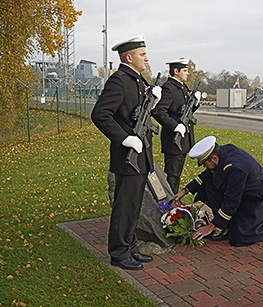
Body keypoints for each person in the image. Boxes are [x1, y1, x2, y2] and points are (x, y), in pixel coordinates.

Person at [91, 35, 162, 270]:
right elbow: (100, 114)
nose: (147, 58)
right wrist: (124, 139)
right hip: (127, 157)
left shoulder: (137, 80)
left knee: (134, 205)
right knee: (124, 207)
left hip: (141, 157)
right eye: (143, 54)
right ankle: (119, 252)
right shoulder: (120, 80)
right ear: (129, 57)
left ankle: (130, 245)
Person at [170, 136, 263, 247]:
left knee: (242, 237)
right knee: (208, 186)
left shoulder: (235, 168)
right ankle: (225, 226)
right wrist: (184, 191)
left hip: (258, 198)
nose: (203, 166)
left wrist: (211, 226)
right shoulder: (221, 154)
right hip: (243, 194)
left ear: (213, 158)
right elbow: (206, 175)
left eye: (204, 163)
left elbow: (232, 201)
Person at [153, 58, 200, 194]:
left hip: (183, 141)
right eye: (185, 71)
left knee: (176, 175)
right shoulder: (169, 88)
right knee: (172, 176)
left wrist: (195, 103)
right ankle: (169, 206)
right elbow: (158, 111)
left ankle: (172, 203)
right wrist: (175, 126)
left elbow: (186, 112)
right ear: (176, 71)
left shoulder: (181, 87)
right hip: (174, 142)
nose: (187, 73)